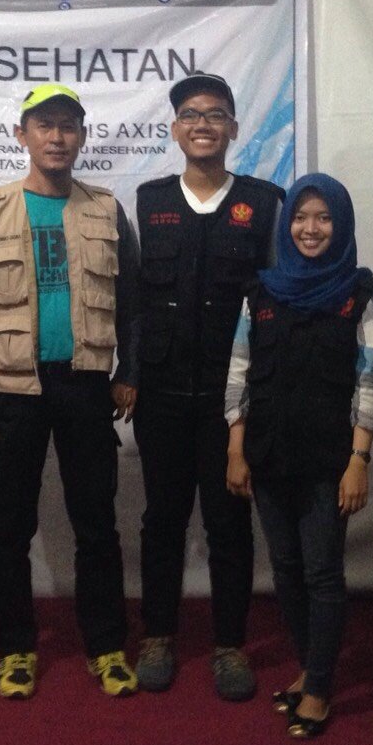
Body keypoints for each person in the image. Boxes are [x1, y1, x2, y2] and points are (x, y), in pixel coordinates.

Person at [0, 84, 139, 699]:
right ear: (22, 135)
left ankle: (106, 645)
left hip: (85, 384)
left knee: (96, 523)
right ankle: (15, 649)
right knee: (9, 526)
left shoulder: (107, 210)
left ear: (81, 136)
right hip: (10, 388)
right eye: (44, 125)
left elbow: (132, 304)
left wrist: (130, 371)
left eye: (68, 126)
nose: (57, 137)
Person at [133, 72, 283, 700]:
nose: (203, 124)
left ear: (233, 129)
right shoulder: (148, 202)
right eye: (191, 114)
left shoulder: (264, 203)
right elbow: (133, 301)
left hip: (233, 402)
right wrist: (128, 375)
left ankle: (229, 645)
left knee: (228, 523)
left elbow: (275, 304)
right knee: (163, 520)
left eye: (216, 114)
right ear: (175, 129)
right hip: (162, 395)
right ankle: (158, 636)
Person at [224, 173, 373, 739]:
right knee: (286, 569)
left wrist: (359, 459)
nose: (310, 229)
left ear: (341, 225)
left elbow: (370, 382)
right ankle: (307, 667)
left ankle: (318, 687)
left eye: (323, 218)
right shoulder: (261, 292)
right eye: (300, 217)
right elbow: (239, 372)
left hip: (328, 461)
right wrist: (236, 447)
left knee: (321, 571)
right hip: (268, 454)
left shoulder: (363, 296)